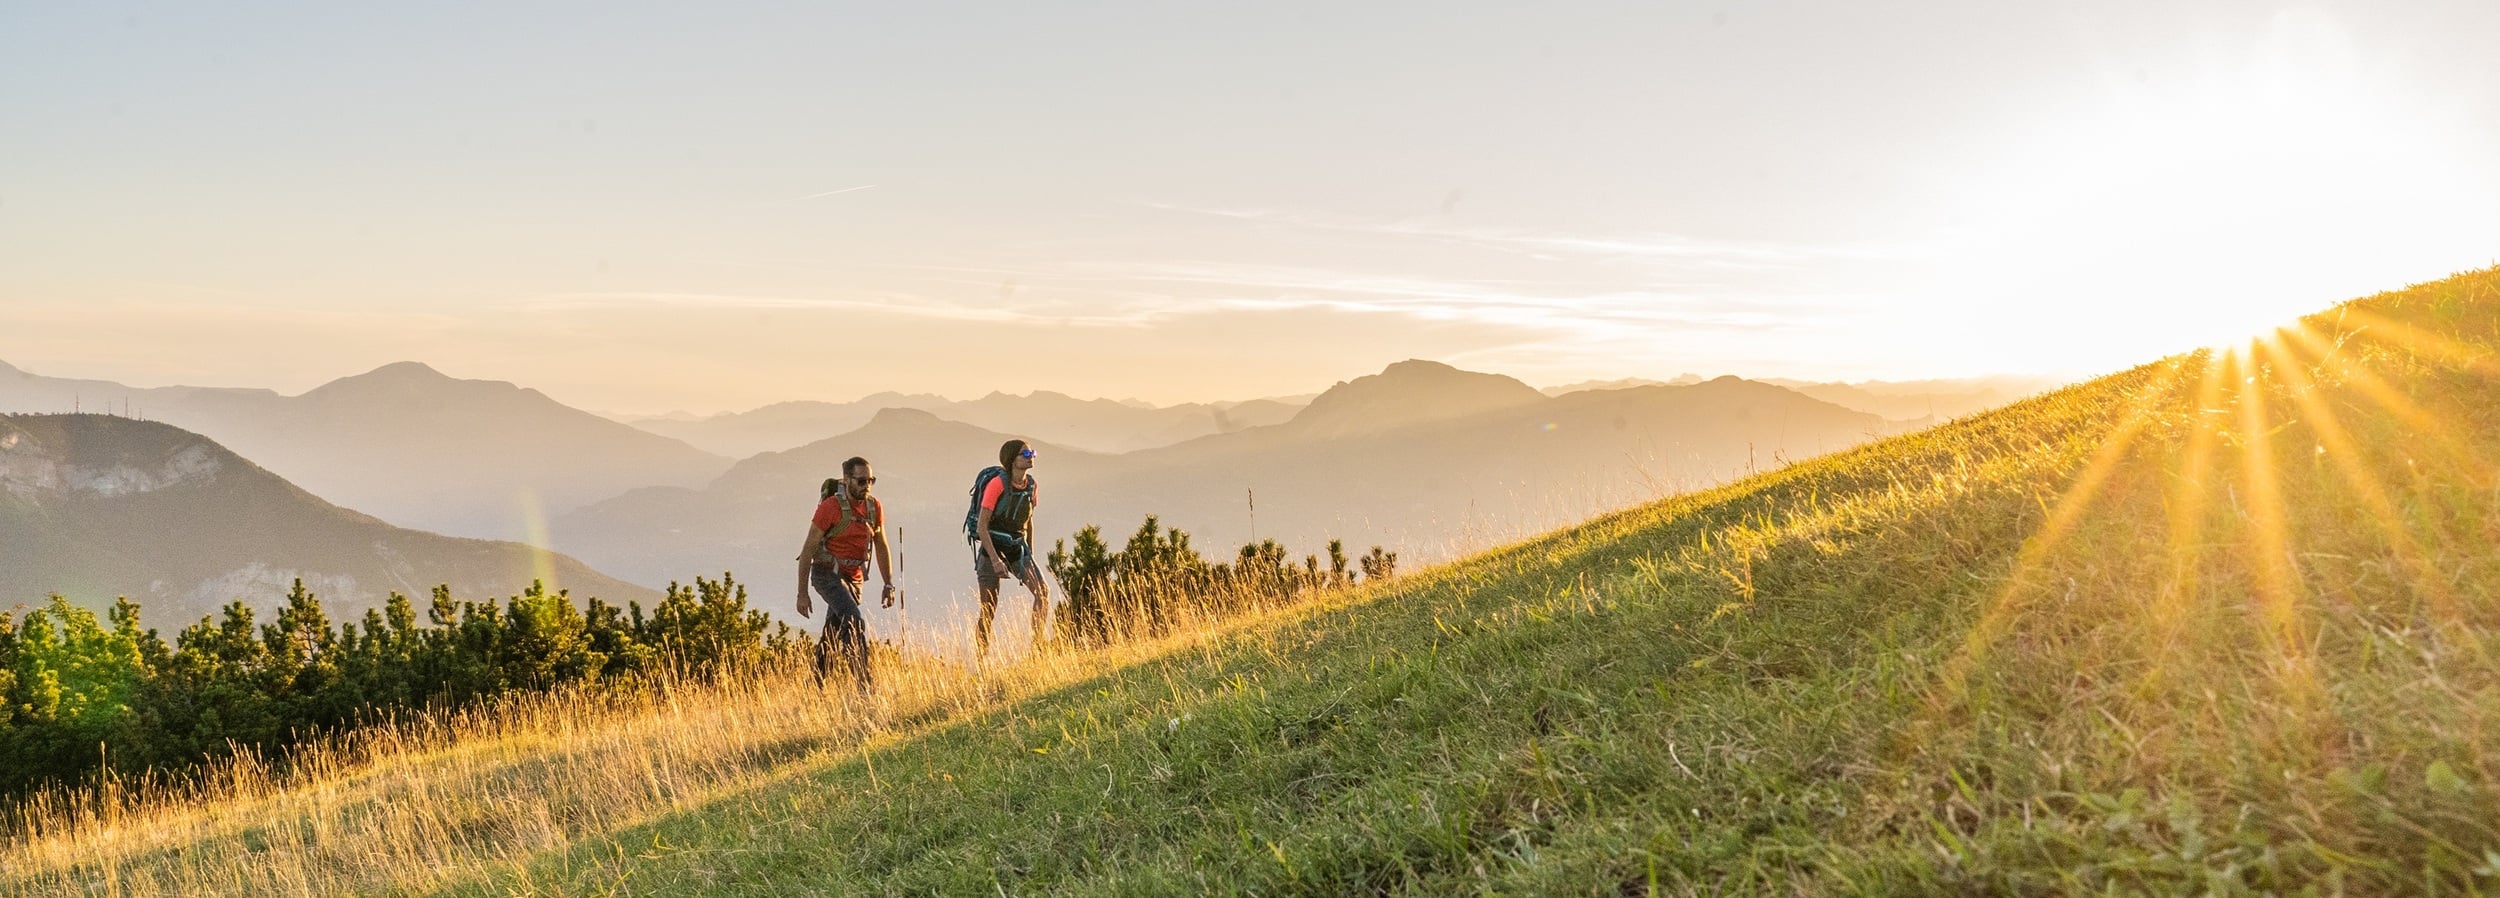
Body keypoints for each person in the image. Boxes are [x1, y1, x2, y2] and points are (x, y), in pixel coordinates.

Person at [796, 456, 894, 689]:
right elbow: (808, 549)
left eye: (871, 480)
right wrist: (802, 593)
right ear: (847, 480)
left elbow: (881, 544)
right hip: (825, 573)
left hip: (854, 577)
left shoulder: (873, 507)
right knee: (853, 619)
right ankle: (864, 685)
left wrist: (888, 584)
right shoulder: (830, 508)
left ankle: (815, 685)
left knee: (833, 631)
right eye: (861, 481)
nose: (867, 486)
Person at [974, 439, 1048, 658]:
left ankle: (1036, 649)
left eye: (1032, 452)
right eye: (1025, 454)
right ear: (1012, 460)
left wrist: (1030, 553)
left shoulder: (1032, 486)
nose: (1031, 456)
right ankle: (981, 660)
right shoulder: (997, 485)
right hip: (992, 550)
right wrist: (996, 561)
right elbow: (982, 526)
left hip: (1017, 548)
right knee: (988, 610)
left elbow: (1029, 520)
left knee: (1042, 593)